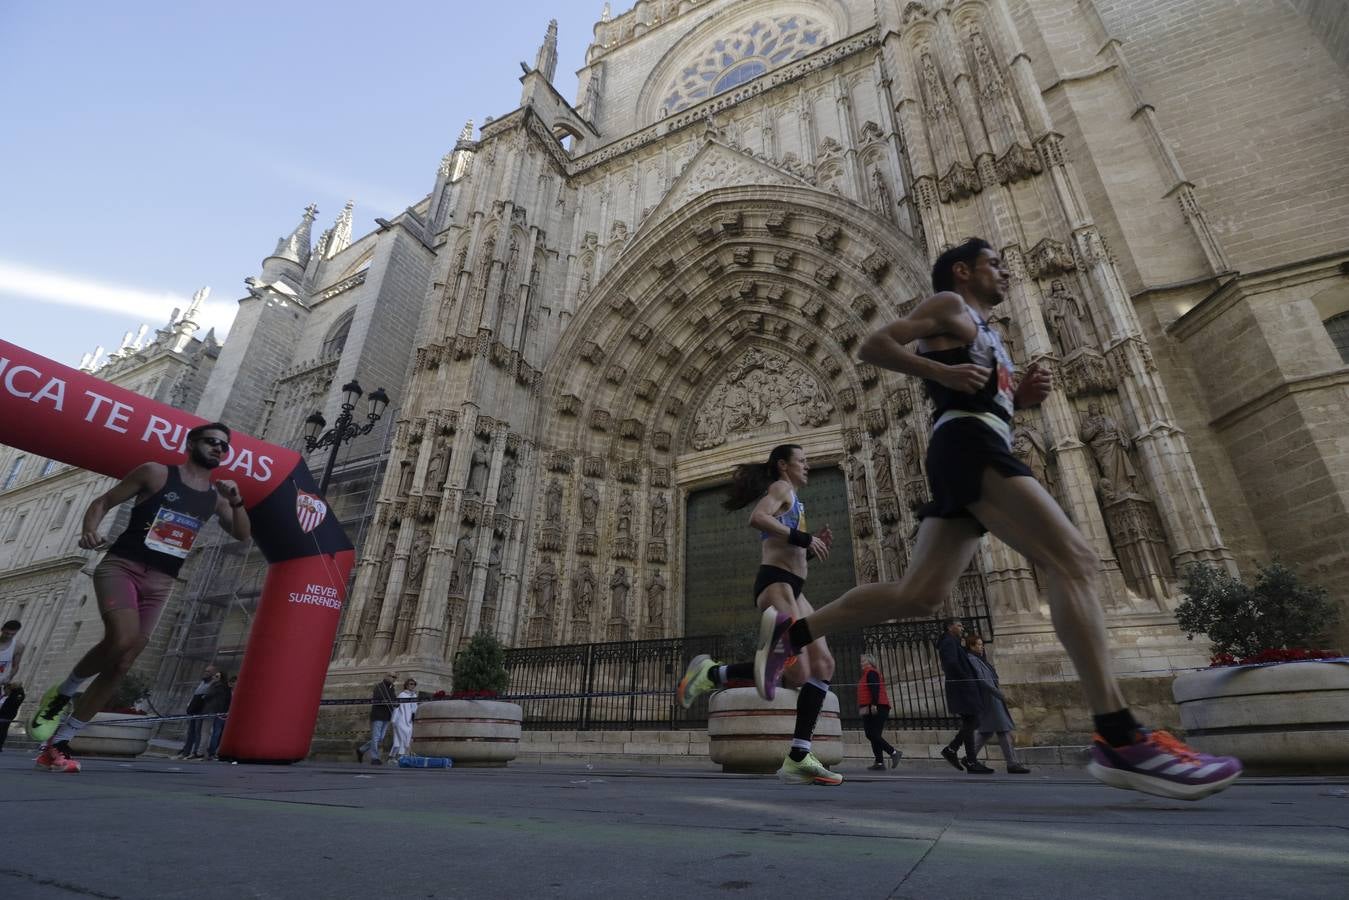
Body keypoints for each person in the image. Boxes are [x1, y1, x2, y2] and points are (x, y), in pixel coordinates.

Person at [751, 238, 1241, 801]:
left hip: (976, 440)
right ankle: (1119, 736)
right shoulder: (949, 306)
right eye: (994, 264)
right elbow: (874, 345)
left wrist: (1019, 395)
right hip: (969, 446)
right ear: (963, 272)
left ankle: (798, 631)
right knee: (1076, 559)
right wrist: (934, 370)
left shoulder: (988, 333)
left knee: (918, 597)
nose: (1006, 270)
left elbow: (981, 389)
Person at [28, 422, 251, 774]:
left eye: (224, 447)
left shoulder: (216, 497)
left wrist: (237, 501)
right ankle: (64, 692)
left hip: (162, 582)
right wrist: (90, 529)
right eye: (211, 442)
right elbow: (103, 501)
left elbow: (241, 534)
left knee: (122, 663)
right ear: (192, 442)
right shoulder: (155, 472)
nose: (218, 450)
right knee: (123, 638)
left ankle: (58, 743)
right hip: (123, 567)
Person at [675, 444, 842, 785]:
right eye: (802, 460)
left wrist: (810, 546)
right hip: (775, 584)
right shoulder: (780, 489)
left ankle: (798, 754)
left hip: (794, 586)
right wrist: (803, 537)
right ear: (783, 466)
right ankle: (711, 673)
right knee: (798, 670)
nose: (807, 465)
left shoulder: (795, 498)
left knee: (822, 666)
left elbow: (788, 548)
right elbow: (757, 518)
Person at [966, 634, 1030, 774]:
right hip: (989, 698)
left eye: (982, 644)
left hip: (991, 698)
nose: (981, 647)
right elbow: (983, 680)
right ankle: (1012, 763)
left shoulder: (978, 659)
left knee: (986, 731)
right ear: (971, 646)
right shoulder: (972, 659)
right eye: (978, 644)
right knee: (1002, 729)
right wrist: (1001, 695)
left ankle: (969, 757)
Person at [936, 618, 992, 774]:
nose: (962, 628)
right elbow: (951, 663)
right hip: (962, 687)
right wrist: (966, 678)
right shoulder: (948, 642)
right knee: (973, 720)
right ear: (950, 627)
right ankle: (966, 757)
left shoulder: (952, 641)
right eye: (959, 625)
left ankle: (959, 753)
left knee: (971, 721)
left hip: (962, 686)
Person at [857, 653, 902, 771]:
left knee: (872, 734)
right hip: (870, 707)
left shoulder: (871, 672)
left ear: (870, 662)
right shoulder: (867, 673)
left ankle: (893, 752)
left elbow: (874, 688)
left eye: (863, 661)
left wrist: (873, 704)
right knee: (873, 735)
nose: (861, 663)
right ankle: (880, 762)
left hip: (878, 706)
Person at [174, 664, 218, 760]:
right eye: (206, 671)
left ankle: (196, 752)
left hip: (201, 710)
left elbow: (207, 696)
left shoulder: (213, 684)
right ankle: (186, 751)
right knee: (190, 732)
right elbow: (196, 694)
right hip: (194, 709)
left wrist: (214, 680)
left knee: (198, 732)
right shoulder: (202, 682)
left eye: (209, 672)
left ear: (213, 673)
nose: (206, 673)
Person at [356, 672, 398, 765]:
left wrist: (395, 703)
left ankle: (361, 749)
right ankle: (374, 757)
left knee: (380, 738)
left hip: (387, 715)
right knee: (376, 737)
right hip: (378, 715)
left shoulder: (392, 688)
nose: (394, 679)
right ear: (386, 676)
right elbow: (378, 699)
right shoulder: (379, 687)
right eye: (393, 677)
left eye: (395, 677)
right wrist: (389, 702)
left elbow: (394, 699)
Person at [202, 671, 232, 761]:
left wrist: (204, 697)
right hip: (222, 712)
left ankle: (206, 752)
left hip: (213, 710)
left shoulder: (215, 685)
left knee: (206, 732)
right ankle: (212, 751)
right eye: (215, 676)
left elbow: (208, 695)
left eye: (217, 676)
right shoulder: (227, 688)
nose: (215, 677)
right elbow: (228, 700)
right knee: (217, 733)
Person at [390, 677, 419, 759]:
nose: (412, 686)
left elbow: (415, 708)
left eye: (414, 684)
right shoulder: (402, 695)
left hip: (409, 721)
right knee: (402, 738)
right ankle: (400, 756)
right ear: (406, 685)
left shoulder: (414, 695)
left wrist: (415, 716)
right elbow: (396, 708)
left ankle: (393, 756)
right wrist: (394, 720)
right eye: (410, 684)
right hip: (401, 720)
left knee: (404, 739)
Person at [0, 682, 25, 751]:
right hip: (4, 713)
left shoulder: (18, 694)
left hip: (7, 715)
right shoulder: (14, 694)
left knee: (2, 730)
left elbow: (13, 704)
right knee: (2, 730)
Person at [0, 619, 24, 690]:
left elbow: (15, 666)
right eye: (7, 633)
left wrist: (9, 678)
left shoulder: (18, 646)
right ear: (2, 630)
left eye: (13, 634)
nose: (9, 636)